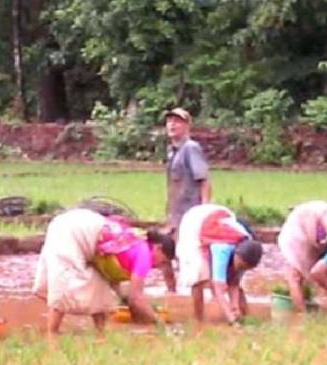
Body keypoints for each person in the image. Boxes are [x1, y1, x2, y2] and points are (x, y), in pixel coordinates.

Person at [34, 208, 175, 335]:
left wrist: (124, 299)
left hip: (80, 226)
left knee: (100, 286)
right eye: (162, 261)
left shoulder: (139, 240)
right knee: (64, 282)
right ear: (158, 248)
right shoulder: (144, 255)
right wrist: (160, 324)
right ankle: (52, 333)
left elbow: (113, 280)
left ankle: (100, 333)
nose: (158, 266)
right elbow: (136, 298)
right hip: (74, 231)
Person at [176, 203, 263, 325]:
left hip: (222, 216)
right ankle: (198, 320)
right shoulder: (222, 249)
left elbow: (234, 283)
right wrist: (231, 319)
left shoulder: (249, 249)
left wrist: (234, 307)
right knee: (200, 275)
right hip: (195, 222)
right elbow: (218, 288)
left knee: (234, 279)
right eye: (241, 265)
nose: (241, 268)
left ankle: (244, 314)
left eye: (244, 268)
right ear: (236, 253)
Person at [164, 107, 212, 235]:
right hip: (177, 214)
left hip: (190, 214)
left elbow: (204, 179)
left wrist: (204, 211)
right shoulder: (172, 151)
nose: (172, 124)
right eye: (169, 121)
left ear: (187, 126)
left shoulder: (190, 148)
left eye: (177, 121)